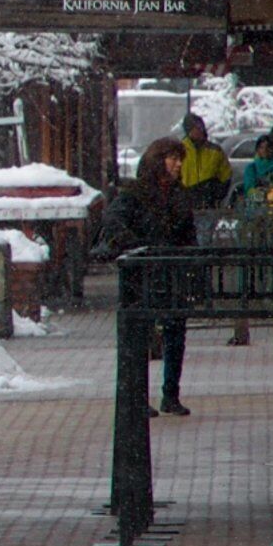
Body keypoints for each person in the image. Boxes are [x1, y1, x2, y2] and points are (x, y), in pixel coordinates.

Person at [107, 138, 195, 414]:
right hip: (143, 274)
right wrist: (137, 247)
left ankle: (171, 395)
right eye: (173, 158)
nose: (178, 164)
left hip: (172, 272)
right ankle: (138, 396)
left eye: (180, 159)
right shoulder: (135, 194)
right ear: (158, 161)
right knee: (140, 336)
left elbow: (187, 234)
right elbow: (115, 223)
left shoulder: (179, 195)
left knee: (175, 333)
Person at [174, 113, 233, 212]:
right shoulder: (179, 150)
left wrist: (215, 195)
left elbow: (226, 176)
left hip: (208, 205)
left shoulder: (215, 151)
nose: (199, 130)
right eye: (195, 128)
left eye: (200, 127)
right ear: (188, 131)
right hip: (185, 204)